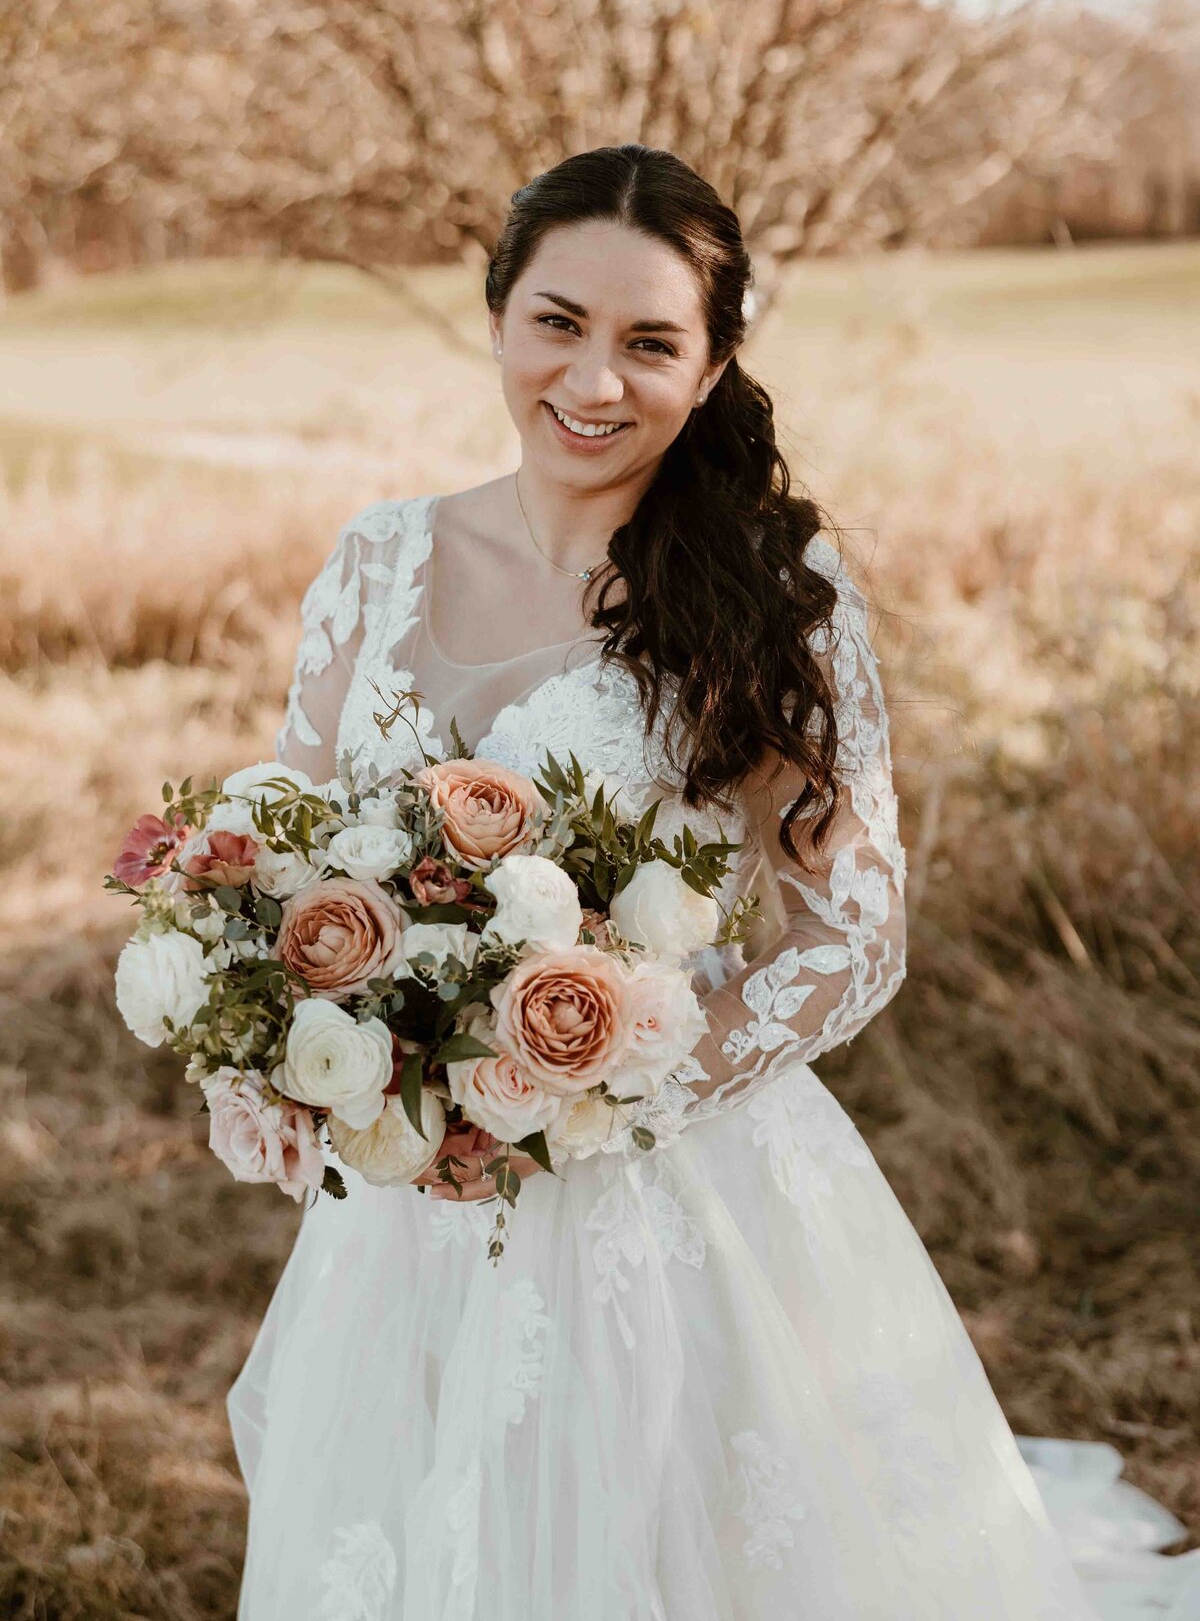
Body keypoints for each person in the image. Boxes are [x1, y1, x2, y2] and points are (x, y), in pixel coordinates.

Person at [227, 145, 1199, 1620]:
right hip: (409, 1201)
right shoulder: (378, 562)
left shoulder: (767, 581)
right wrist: (288, 1053)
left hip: (662, 1191)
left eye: (650, 342)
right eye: (557, 322)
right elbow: (283, 834)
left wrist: (607, 1078)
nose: (593, 380)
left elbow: (853, 932)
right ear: (497, 313)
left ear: (714, 359)